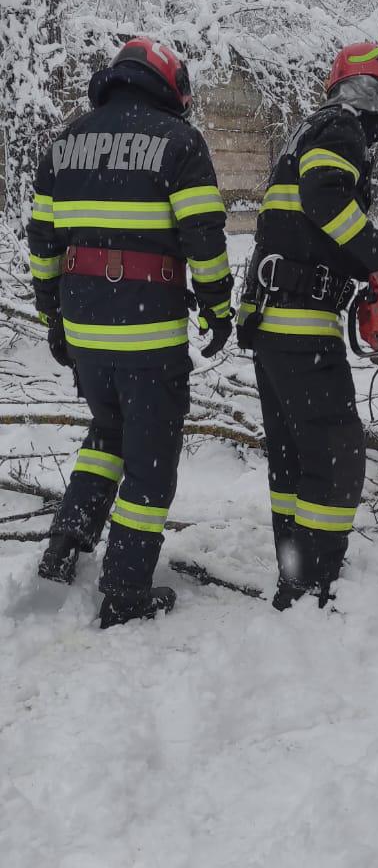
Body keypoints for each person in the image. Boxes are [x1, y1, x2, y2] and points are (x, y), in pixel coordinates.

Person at [26, 37, 234, 629]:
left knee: (107, 429)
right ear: (169, 85)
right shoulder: (179, 142)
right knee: (150, 457)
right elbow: (204, 236)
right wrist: (218, 309)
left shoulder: (63, 144)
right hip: (148, 334)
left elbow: (43, 243)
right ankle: (124, 591)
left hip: (88, 331)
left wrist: (53, 319)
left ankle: (68, 538)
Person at [236, 41, 378, 610]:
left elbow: (284, 222)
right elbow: (323, 197)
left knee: (293, 458)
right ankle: (312, 583)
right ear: (374, 92)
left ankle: (294, 568)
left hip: (273, 319)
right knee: (337, 454)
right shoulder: (341, 129)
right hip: (300, 321)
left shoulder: (308, 130)